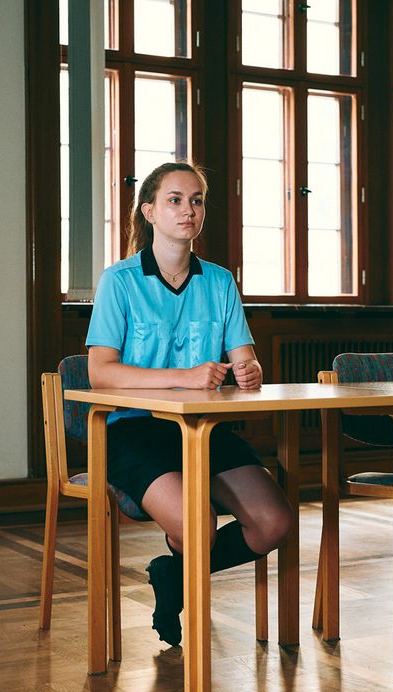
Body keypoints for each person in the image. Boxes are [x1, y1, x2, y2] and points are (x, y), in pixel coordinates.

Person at [86, 161, 291, 647]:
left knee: (273, 523)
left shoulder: (219, 282)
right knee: (199, 527)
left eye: (197, 200)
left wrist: (249, 373)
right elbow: (100, 372)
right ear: (150, 210)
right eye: (175, 200)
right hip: (133, 431)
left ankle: (173, 576)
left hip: (204, 429)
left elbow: (247, 362)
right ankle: (183, 571)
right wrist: (184, 378)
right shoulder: (119, 281)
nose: (188, 210)